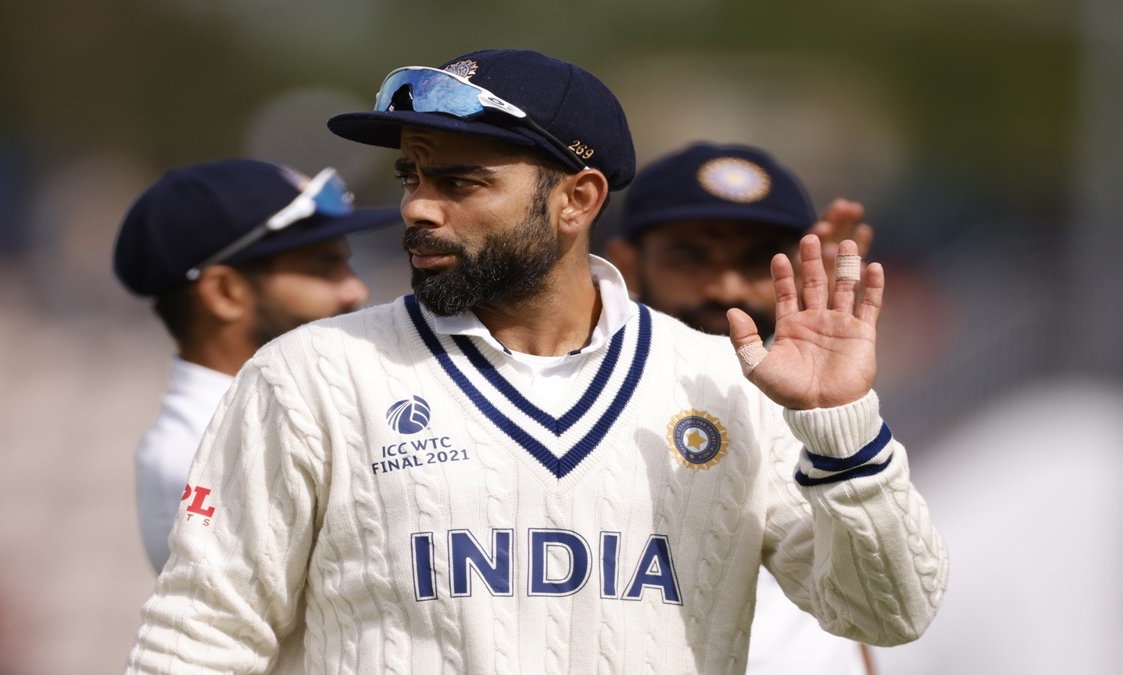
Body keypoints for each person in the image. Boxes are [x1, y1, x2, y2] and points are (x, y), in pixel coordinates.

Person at [124, 49, 948, 674]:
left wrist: (844, 429)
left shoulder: (723, 385)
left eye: (461, 182)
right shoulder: (311, 375)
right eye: (412, 175)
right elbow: (196, 641)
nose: (416, 206)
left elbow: (889, 613)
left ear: (577, 200)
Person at [605, 142, 876, 675]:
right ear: (628, 263)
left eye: (757, 260)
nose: (726, 287)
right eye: (691, 256)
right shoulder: (586, 391)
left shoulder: (819, 396)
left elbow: (855, 589)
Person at [112, 158, 401, 573]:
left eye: (346, 262)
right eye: (323, 267)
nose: (356, 289)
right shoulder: (207, 454)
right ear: (225, 293)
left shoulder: (266, 420)